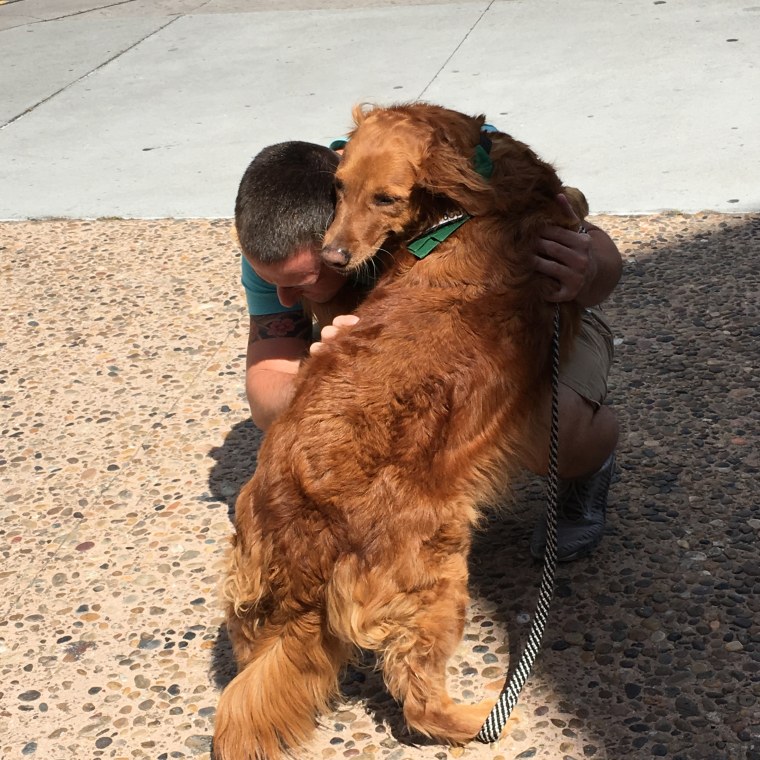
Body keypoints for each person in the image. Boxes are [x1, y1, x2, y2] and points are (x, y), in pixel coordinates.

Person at [234, 140, 623, 562]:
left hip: (528, 327)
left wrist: (588, 268)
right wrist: (326, 383)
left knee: (549, 426)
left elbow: (600, 260)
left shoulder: (418, 189)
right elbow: (265, 391)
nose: (285, 300)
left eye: (304, 281)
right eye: (274, 281)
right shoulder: (283, 255)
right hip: (392, 340)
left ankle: (587, 468)